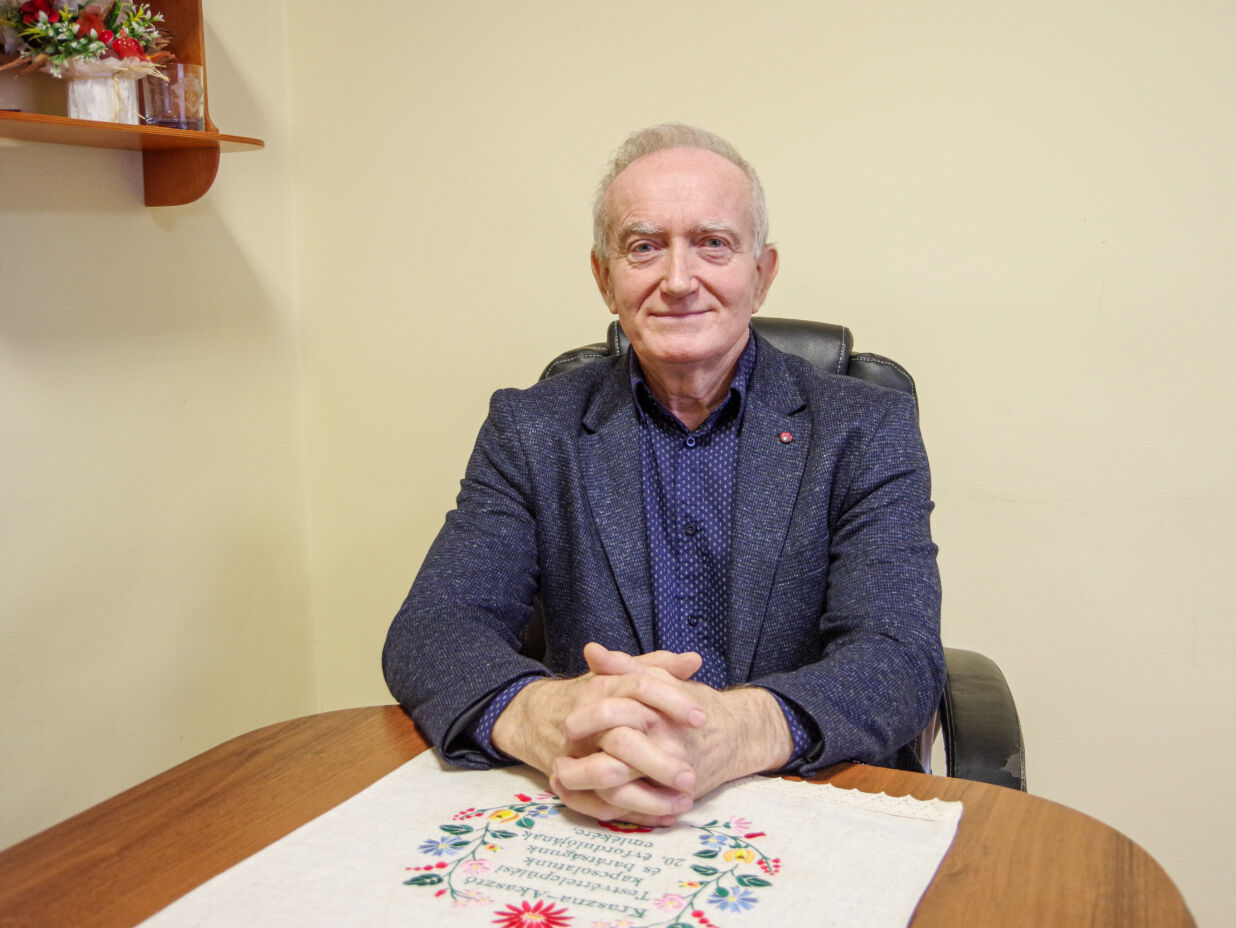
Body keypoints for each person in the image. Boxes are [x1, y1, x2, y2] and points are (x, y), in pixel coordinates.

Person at [383, 123, 944, 826]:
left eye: (713, 243)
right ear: (604, 278)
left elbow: (899, 655)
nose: (678, 281)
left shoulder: (867, 427)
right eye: (644, 247)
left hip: (805, 801)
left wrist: (733, 731)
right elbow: (433, 628)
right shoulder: (530, 429)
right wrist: (548, 715)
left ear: (762, 274)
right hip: (597, 804)